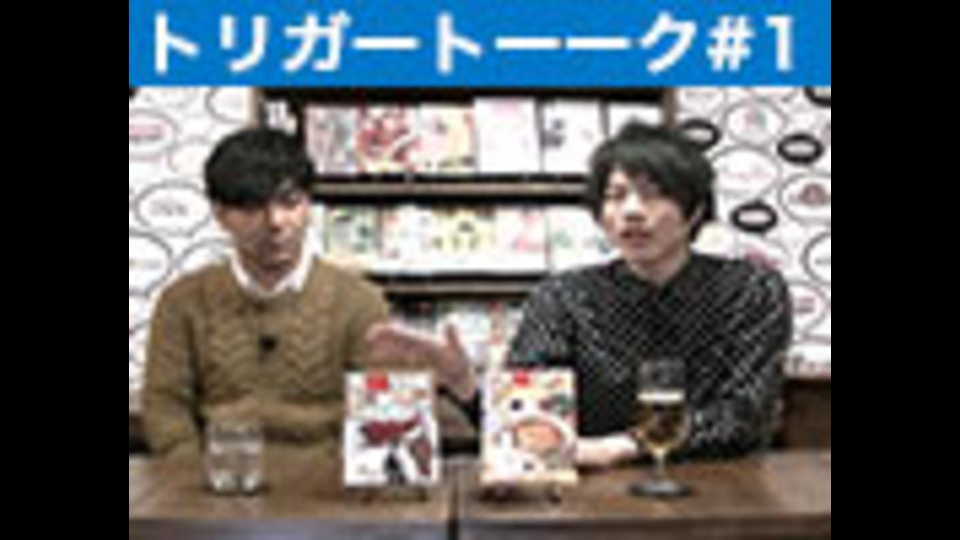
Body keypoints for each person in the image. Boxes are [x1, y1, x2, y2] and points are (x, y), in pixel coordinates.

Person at [366, 123, 793, 468]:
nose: (631, 211)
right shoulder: (564, 297)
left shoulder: (751, 290)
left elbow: (745, 415)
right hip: (595, 499)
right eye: (615, 196)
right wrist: (463, 384)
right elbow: (525, 422)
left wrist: (624, 445)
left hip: (724, 496)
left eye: (653, 194)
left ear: (695, 210)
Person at [143, 128, 390, 456]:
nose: (275, 222)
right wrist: (197, 474)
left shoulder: (360, 302)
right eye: (252, 208)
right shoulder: (183, 301)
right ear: (220, 215)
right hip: (217, 479)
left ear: (309, 206)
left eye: (290, 203)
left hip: (327, 481)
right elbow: (165, 408)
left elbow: (377, 412)